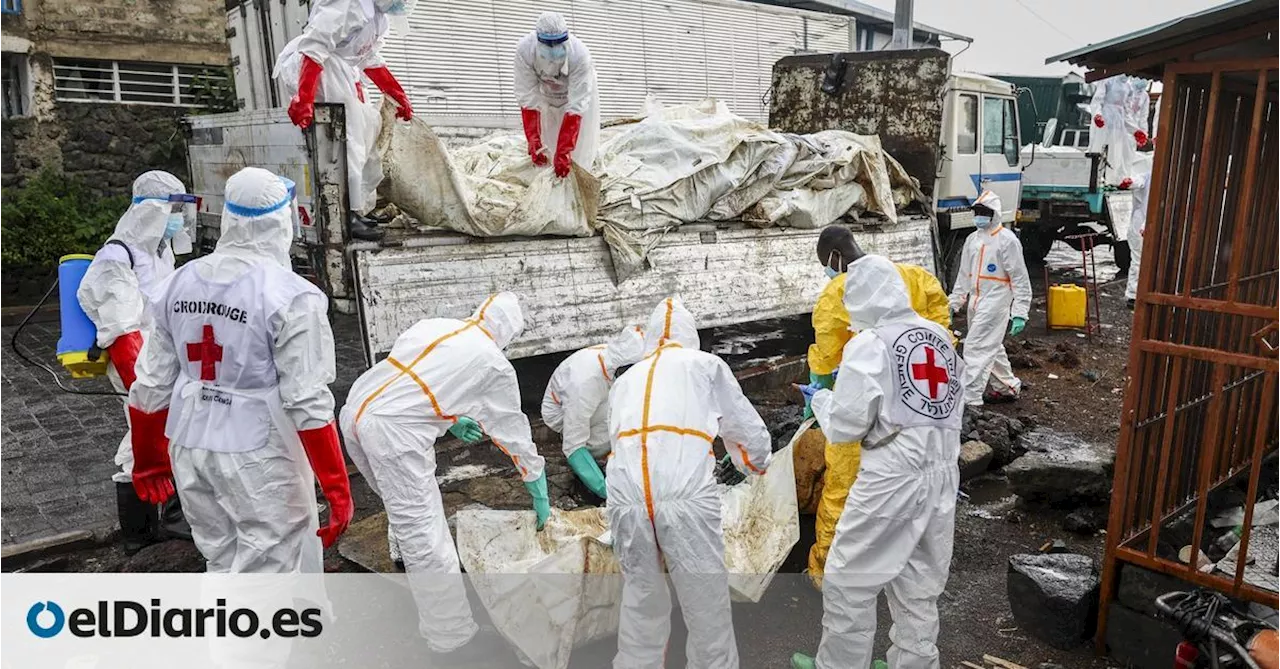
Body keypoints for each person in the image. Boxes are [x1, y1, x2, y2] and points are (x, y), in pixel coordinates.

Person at [127, 167, 352, 574]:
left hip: (191, 445)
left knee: (222, 557)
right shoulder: (291, 296)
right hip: (258, 453)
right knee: (269, 570)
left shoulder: (178, 283)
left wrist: (149, 460)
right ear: (279, 222)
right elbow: (307, 400)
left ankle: (236, 636)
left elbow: (150, 386)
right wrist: (336, 486)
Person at [338, 292, 547, 653]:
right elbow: (514, 432)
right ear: (509, 333)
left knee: (399, 500)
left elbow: (419, 379)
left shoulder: (436, 326)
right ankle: (451, 636)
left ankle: (400, 550)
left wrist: (450, 418)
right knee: (427, 535)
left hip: (356, 407)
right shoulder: (492, 363)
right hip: (393, 430)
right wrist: (537, 485)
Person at [791, 255, 964, 669]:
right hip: (942, 473)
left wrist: (822, 400)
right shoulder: (938, 336)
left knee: (849, 582)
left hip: (891, 477)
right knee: (919, 588)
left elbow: (849, 426)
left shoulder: (869, 345)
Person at [607, 297, 772, 668]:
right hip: (684, 494)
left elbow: (616, 440)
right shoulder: (706, 365)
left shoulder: (625, 380)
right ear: (690, 335)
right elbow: (746, 429)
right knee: (705, 605)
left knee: (640, 602)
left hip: (626, 498)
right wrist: (753, 464)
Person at [806, 224, 952, 588]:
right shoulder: (918, 277)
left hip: (868, 411)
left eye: (826, 262)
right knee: (921, 565)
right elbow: (942, 335)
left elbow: (826, 362)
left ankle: (825, 572)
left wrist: (820, 397)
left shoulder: (839, 294)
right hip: (927, 416)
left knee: (842, 489)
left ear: (834, 256)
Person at [78, 171, 194, 554]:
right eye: (173, 209)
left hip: (160, 362)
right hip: (139, 366)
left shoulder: (160, 251)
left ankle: (147, 530)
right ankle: (150, 530)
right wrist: (146, 390)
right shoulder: (117, 257)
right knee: (153, 433)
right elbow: (123, 332)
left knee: (157, 435)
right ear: (152, 210)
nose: (178, 217)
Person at [275, 0, 417, 242]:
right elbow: (315, 47)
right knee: (348, 140)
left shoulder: (377, 18)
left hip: (340, 68)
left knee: (368, 128)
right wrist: (305, 97)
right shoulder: (349, 5)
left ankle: (358, 208)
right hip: (320, 67)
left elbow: (368, 58)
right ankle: (344, 215)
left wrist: (396, 94)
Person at [541, 325, 646, 499]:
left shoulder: (619, 360)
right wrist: (607, 492)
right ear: (623, 368)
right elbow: (573, 446)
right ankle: (594, 469)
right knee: (609, 428)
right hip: (559, 411)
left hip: (598, 395)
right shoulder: (585, 385)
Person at [948, 190, 1032, 406]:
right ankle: (1007, 387)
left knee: (976, 346)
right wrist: (955, 301)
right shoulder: (972, 239)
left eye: (984, 213)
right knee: (990, 346)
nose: (979, 217)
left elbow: (1019, 278)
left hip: (996, 300)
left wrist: (1020, 312)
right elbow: (964, 274)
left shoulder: (1007, 241)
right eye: (977, 212)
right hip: (976, 300)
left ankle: (970, 398)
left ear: (994, 214)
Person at [514, 11, 600, 178]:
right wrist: (533, 139)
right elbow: (527, 95)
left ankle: (578, 175)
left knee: (580, 148)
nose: (553, 50)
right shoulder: (525, 50)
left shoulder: (580, 55)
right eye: (548, 44)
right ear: (538, 41)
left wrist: (565, 150)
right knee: (548, 143)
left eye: (558, 44)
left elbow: (577, 104)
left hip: (577, 97)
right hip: (547, 94)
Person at [1089, 75, 1149, 185]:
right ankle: (1094, 180)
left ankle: (1111, 181)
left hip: (1118, 125)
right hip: (1104, 121)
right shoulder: (1108, 80)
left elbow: (1127, 113)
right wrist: (1097, 114)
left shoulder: (1128, 87)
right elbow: (1097, 101)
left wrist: (1135, 130)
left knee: (1116, 154)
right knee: (1099, 149)